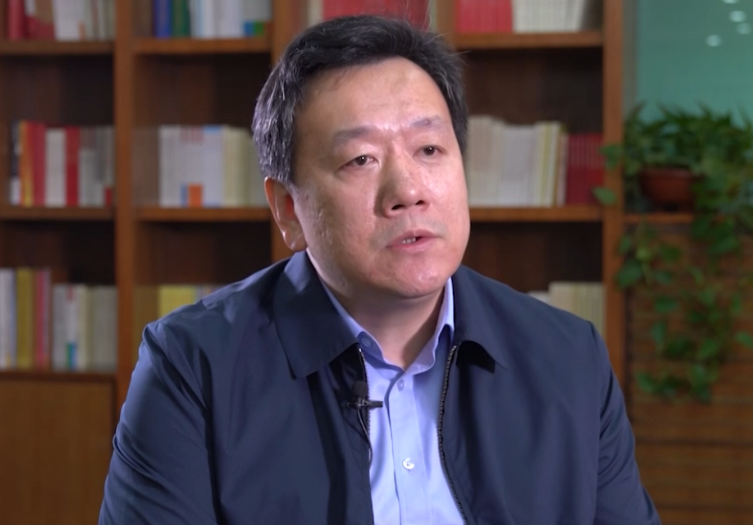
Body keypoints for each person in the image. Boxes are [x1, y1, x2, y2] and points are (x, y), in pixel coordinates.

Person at [99, 14, 661, 525]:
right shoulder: (192, 369)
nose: (408, 191)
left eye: (429, 150)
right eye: (360, 159)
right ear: (288, 210)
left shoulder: (569, 360)